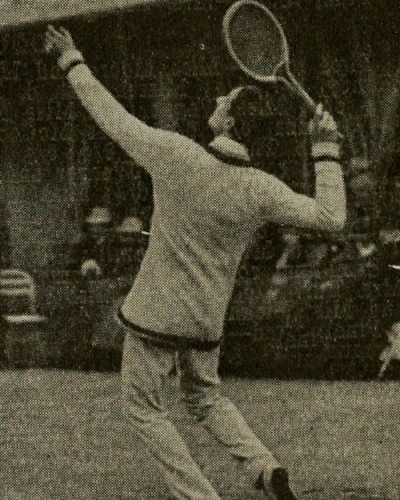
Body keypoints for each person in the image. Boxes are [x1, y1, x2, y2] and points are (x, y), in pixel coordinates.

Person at [45, 26, 346, 500]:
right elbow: (332, 217)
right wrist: (326, 151)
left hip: (157, 313)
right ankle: (265, 468)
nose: (218, 101)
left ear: (229, 123)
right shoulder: (261, 188)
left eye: (226, 100)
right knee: (205, 398)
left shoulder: (178, 155)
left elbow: (111, 117)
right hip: (207, 318)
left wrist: (72, 61)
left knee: (143, 408)